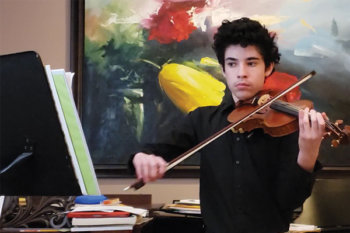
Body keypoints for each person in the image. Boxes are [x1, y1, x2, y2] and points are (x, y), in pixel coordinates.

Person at [130, 17, 326, 233]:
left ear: (268, 67)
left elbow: (290, 201)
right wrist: (142, 157)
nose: (241, 72)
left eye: (251, 63)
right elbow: (156, 150)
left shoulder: (286, 124)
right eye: (232, 63)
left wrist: (308, 153)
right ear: (223, 69)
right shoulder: (202, 120)